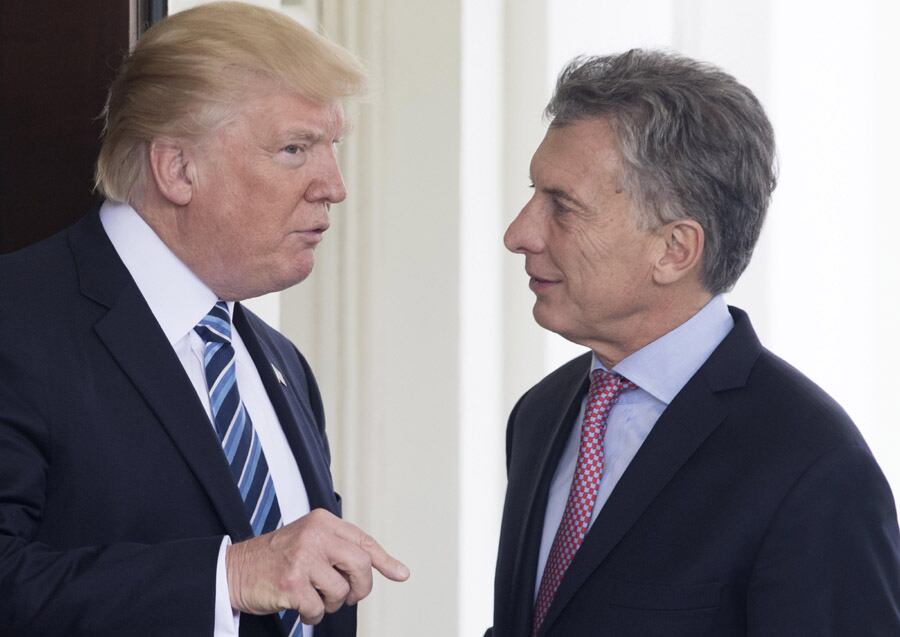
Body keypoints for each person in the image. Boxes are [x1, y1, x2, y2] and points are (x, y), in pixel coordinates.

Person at [0, 3, 408, 636]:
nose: (334, 185)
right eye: (295, 148)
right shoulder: (16, 318)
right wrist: (231, 577)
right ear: (178, 169)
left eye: (333, 148)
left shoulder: (281, 362)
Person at [488, 49, 900, 636]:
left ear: (675, 250)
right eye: (534, 194)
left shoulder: (813, 465)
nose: (518, 233)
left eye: (562, 206)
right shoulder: (540, 413)